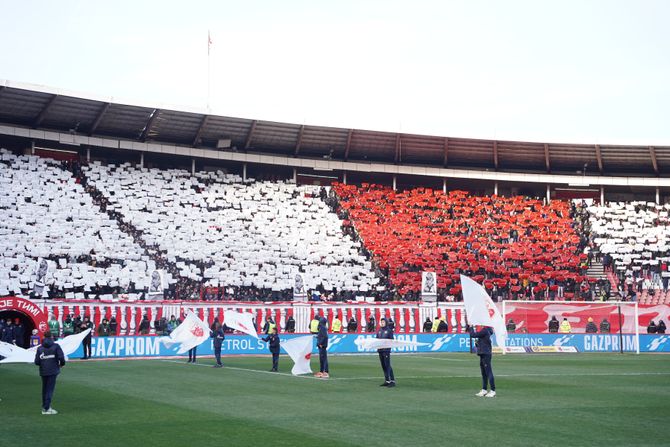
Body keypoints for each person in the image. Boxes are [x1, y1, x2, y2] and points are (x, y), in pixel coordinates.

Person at [34, 331, 65, 415]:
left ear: (44, 337)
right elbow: (61, 357)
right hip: (53, 370)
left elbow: (37, 362)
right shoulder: (56, 346)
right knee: (49, 390)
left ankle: (45, 407)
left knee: (45, 389)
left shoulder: (40, 348)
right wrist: (62, 364)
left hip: (43, 370)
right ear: (51, 336)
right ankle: (47, 408)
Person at [468, 325, 496, 398]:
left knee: (488, 372)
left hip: (485, 353)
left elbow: (473, 335)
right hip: (483, 353)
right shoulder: (486, 331)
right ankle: (484, 389)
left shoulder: (485, 330)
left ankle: (492, 390)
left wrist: (471, 327)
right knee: (484, 373)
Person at [376, 317, 396, 387]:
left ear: (386, 323)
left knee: (388, 365)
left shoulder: (389, 331)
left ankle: (392, 381)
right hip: (380, 350)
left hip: (386, 350)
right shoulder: (379, 331)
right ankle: (387, 380)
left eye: (383, 322)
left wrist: (387, 346)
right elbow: (377, 340)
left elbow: (391, 340)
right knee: (383, 366)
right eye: (381, 322)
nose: (382, 323)